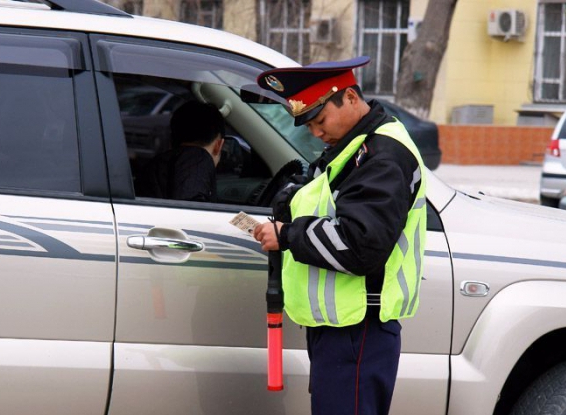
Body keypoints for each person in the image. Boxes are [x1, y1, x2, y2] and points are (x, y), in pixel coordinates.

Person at [252, 56, 427, 415]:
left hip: (358, 330)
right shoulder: (353, 148)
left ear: (349, 97)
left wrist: (287, 235)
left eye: (319, 120)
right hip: (342, 328)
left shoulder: (383, 155)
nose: (315, 132)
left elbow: (361, 244)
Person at [136, 100, 225, 202]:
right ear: (218, 145)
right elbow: (192, 214)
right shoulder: (198, 159)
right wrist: (246, 218)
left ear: (172, 139)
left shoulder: (156, 166)